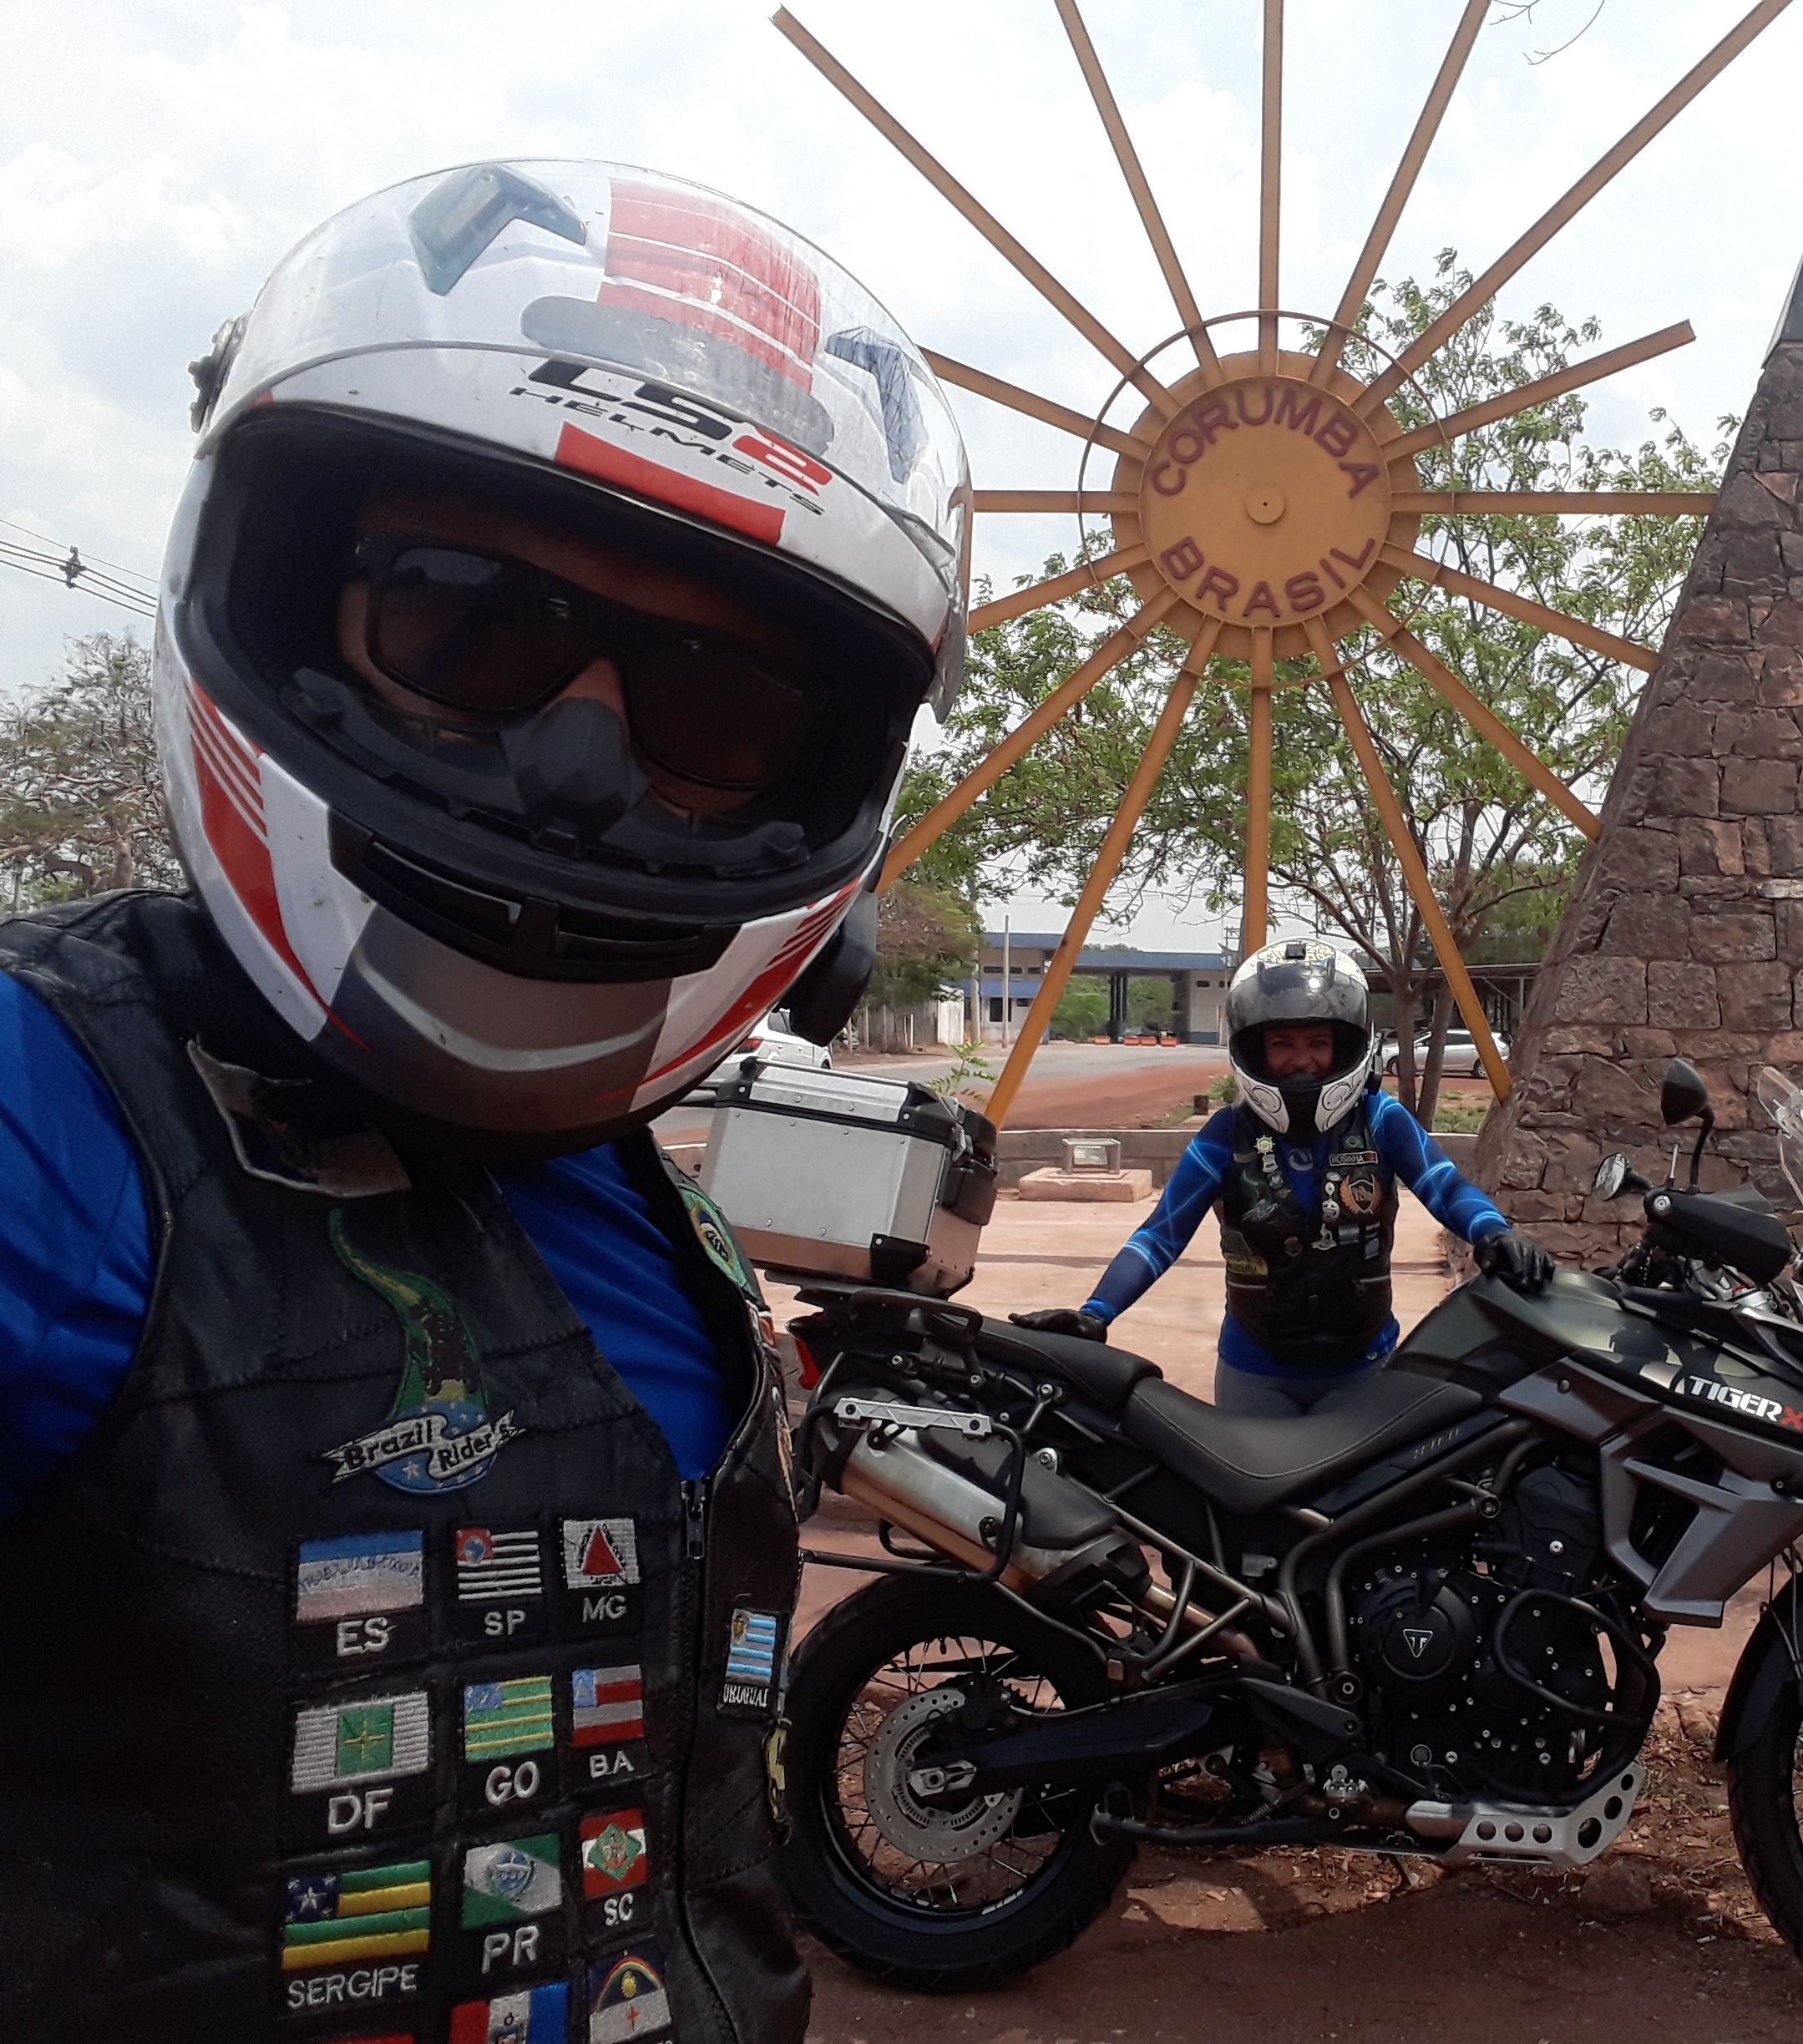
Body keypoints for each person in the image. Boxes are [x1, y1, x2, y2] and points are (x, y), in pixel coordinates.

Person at [0, 160, 969, 2044]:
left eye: (714, 706)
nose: (576, 774)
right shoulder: (52, 1115)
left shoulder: (646, 1193)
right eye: (466, 624)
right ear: (291, 590)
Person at [1017, 937, 1554, 1413]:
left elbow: (1444, 1185)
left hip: (1364, 1369)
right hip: (1255, 1375)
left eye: (1318, 1043)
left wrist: (1493, 1233)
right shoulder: (1226, 1134)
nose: (1303, 1061)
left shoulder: (1381, 1120)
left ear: (1344, 1046)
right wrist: (1096, 1313)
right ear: (1257, 1050)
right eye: (1283, 1045)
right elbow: (1161, 1234)